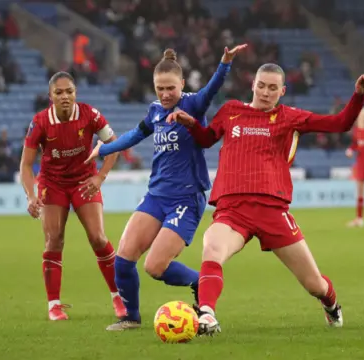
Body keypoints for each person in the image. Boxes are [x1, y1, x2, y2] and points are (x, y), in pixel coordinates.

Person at [167, 63, 364, 335]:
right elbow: (206, 139)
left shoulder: (290, 117)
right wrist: (192, 124)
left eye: (273, 88)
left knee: (314, 284)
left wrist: (359, 95)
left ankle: (332, 304)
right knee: (212, 249)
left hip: (273, 211)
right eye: (262, 85)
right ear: (253, 84)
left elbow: (340, 123)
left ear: (282, 91)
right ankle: (206, 314)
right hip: (232, 208)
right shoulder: (231, 111)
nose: (266, 92)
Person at [85, 45, 247, 331]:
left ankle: (200, 282)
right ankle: (131, 318)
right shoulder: (155, 111)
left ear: (182, 85)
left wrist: (224, 64)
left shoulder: (193, 104)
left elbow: (211, 89)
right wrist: (104, 148)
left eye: (170, 88)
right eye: (160, 88)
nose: (165, 94)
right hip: (156, 196)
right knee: (123, 260)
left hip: (186, 197)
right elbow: (136, 135)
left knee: (154, 266)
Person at [20, 71, 125, 321]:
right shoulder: (40, 121)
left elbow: (114, 146)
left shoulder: (90, 115)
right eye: (59, 92)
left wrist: (100, 177)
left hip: (83, 182)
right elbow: (26, 164)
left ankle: (119, 297)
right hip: (53, 184)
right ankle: (54, 306)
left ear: (75, 93)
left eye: (69, 91)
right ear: (50, 97)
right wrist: (30, 195)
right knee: (54, 239)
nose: (65, 96)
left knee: (98, 238)